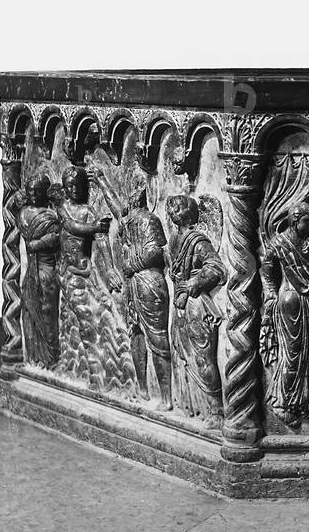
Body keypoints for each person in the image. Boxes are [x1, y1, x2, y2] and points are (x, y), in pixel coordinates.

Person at [91, 171, 173, 409]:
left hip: (149, 283)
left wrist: (131, 265)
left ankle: (166, 398)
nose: (129, 194)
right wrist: (101, 179)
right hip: (134, 285)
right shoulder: (128, 220)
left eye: (135, 188)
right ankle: (143, 389)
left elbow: (156, 251)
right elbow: (116, 208)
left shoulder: (149, 220)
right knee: (135, 333)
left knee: (157, 338)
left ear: (143, 195)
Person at [54, 167, 137, 391]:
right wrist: (95, 227)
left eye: (78, 186)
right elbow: (71, 226)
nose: (74, 190)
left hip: (82, 272)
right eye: (69, 186)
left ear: (85, 187)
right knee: (74, 320)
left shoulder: (87, 211)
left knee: (89, 319)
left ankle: (96, 372)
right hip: (65, 271)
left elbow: (101, 239)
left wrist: (109, 269)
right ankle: (79, 366)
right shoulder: (63, 208)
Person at [261, 196, 309, 428]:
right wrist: (271, 295)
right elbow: (267, 269)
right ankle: (282, 404)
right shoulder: (279, 243)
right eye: (307, 221)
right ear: (295, 221)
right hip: (291, 301)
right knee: (293, 354)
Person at [167, 194, 226, 426]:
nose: (173, 212)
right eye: (171, 208)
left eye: (179, 208)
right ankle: (194, 406)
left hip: (196, 304)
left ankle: (217, 411)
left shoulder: (198, 241)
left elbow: (216, 267)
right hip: (180, 304)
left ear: (190, 214)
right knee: (183, 355)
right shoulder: (174, 239)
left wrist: (194, 282)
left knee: (203, 358)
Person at [17, 174, 61, 368]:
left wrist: (39, 243)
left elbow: (57, 237)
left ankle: (52, 356)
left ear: (45, 192)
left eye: (38, 190)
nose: (34, 194)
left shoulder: (50, 216)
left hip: (46, 270)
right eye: (30, 190)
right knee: (29, 311)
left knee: (47, 312)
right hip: (31, 272)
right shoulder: (23, 214)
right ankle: (34, 356)